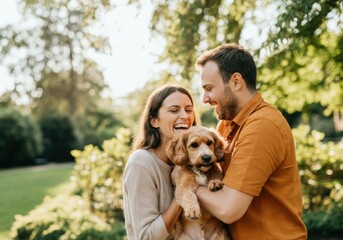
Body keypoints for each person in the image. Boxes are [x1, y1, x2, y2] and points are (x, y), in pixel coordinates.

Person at [191, 43, 307, 239]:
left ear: (236, 82)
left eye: (209, 88)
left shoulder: (263, 125)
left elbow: (229, 209)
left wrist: (188, 186)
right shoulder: (226, 126)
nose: (204, 99)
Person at [123, 84, 200, 240]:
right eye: (174, 110)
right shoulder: (141, 163)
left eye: (188, 110)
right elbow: (145, 237)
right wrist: (183, 189)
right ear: (154, 121)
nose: (184, 116)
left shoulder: (195, 162)